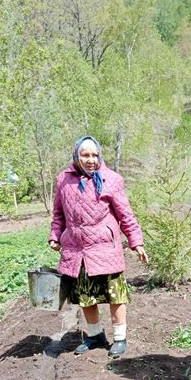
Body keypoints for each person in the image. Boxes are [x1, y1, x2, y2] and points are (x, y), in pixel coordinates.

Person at [49, 135, 148, 358]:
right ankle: (95, 336)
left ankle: (120, 339)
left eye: (95, 155)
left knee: (115, 296)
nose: (91, 160)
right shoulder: (63, 180)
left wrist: (137, 242)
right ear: (76, 156)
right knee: (85, 296)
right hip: (77, 250)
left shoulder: (111, 179)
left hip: (105, 248)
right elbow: (58, 214)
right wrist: (55, 235)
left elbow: (126, 214)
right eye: (85, 155)